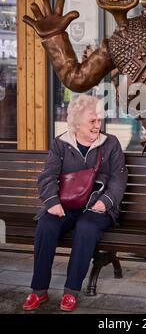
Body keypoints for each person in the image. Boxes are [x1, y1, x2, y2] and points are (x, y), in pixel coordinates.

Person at [22, 94, 128, 312]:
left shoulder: (110, 144)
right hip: (65, 205)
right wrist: (51, 202)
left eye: (99, 120)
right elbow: (47, 176)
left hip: (97, 207)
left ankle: (71, 291)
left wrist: (106, 202)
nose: (97, 125)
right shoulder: (61, 144)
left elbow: (119, 178)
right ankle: (38, 290)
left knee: (86, 227)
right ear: (77, 122)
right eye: (92, 121)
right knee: (46, 225)